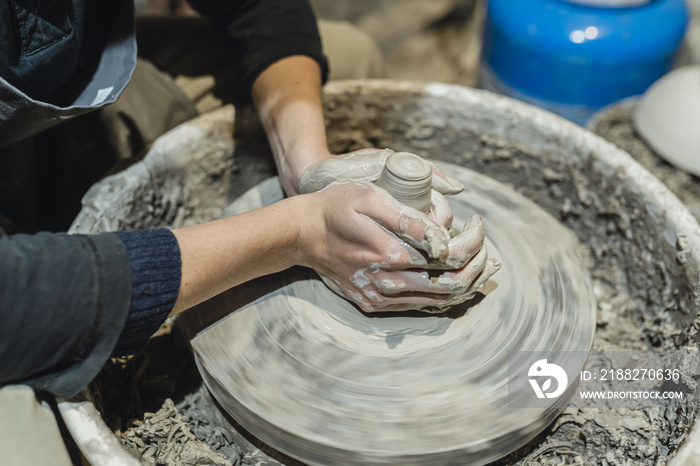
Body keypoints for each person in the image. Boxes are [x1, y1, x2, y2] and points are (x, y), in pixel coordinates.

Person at [0, 1, 499, 463]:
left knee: (352, 54)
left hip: (52, 88)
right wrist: (299, 229)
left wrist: (307, 166)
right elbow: (16, 302)